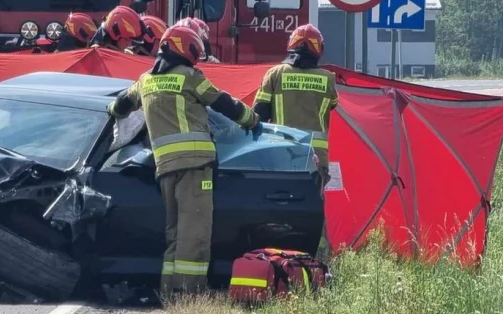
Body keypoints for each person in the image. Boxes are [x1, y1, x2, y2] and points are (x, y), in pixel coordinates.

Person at [108, 25, 261, 297]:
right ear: (185, 49)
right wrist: (251, 119)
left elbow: (120, 105)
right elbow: (222, 102)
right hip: (195, 165)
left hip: (165, 167)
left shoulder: (145, 81)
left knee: (175, 232)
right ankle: (190, 293)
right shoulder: (190, 77)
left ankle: (170, 292)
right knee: (195, 231)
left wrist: (108, 109)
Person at [253, 23, 337, 262]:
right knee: (314, 210)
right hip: (316, 158)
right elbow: (332, 105)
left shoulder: (275, 74)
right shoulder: (327, 79)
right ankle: (319, 261)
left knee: (277, 209)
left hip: (282, 156)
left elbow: (258, 113)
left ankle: (276, 259)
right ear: (318, 48)